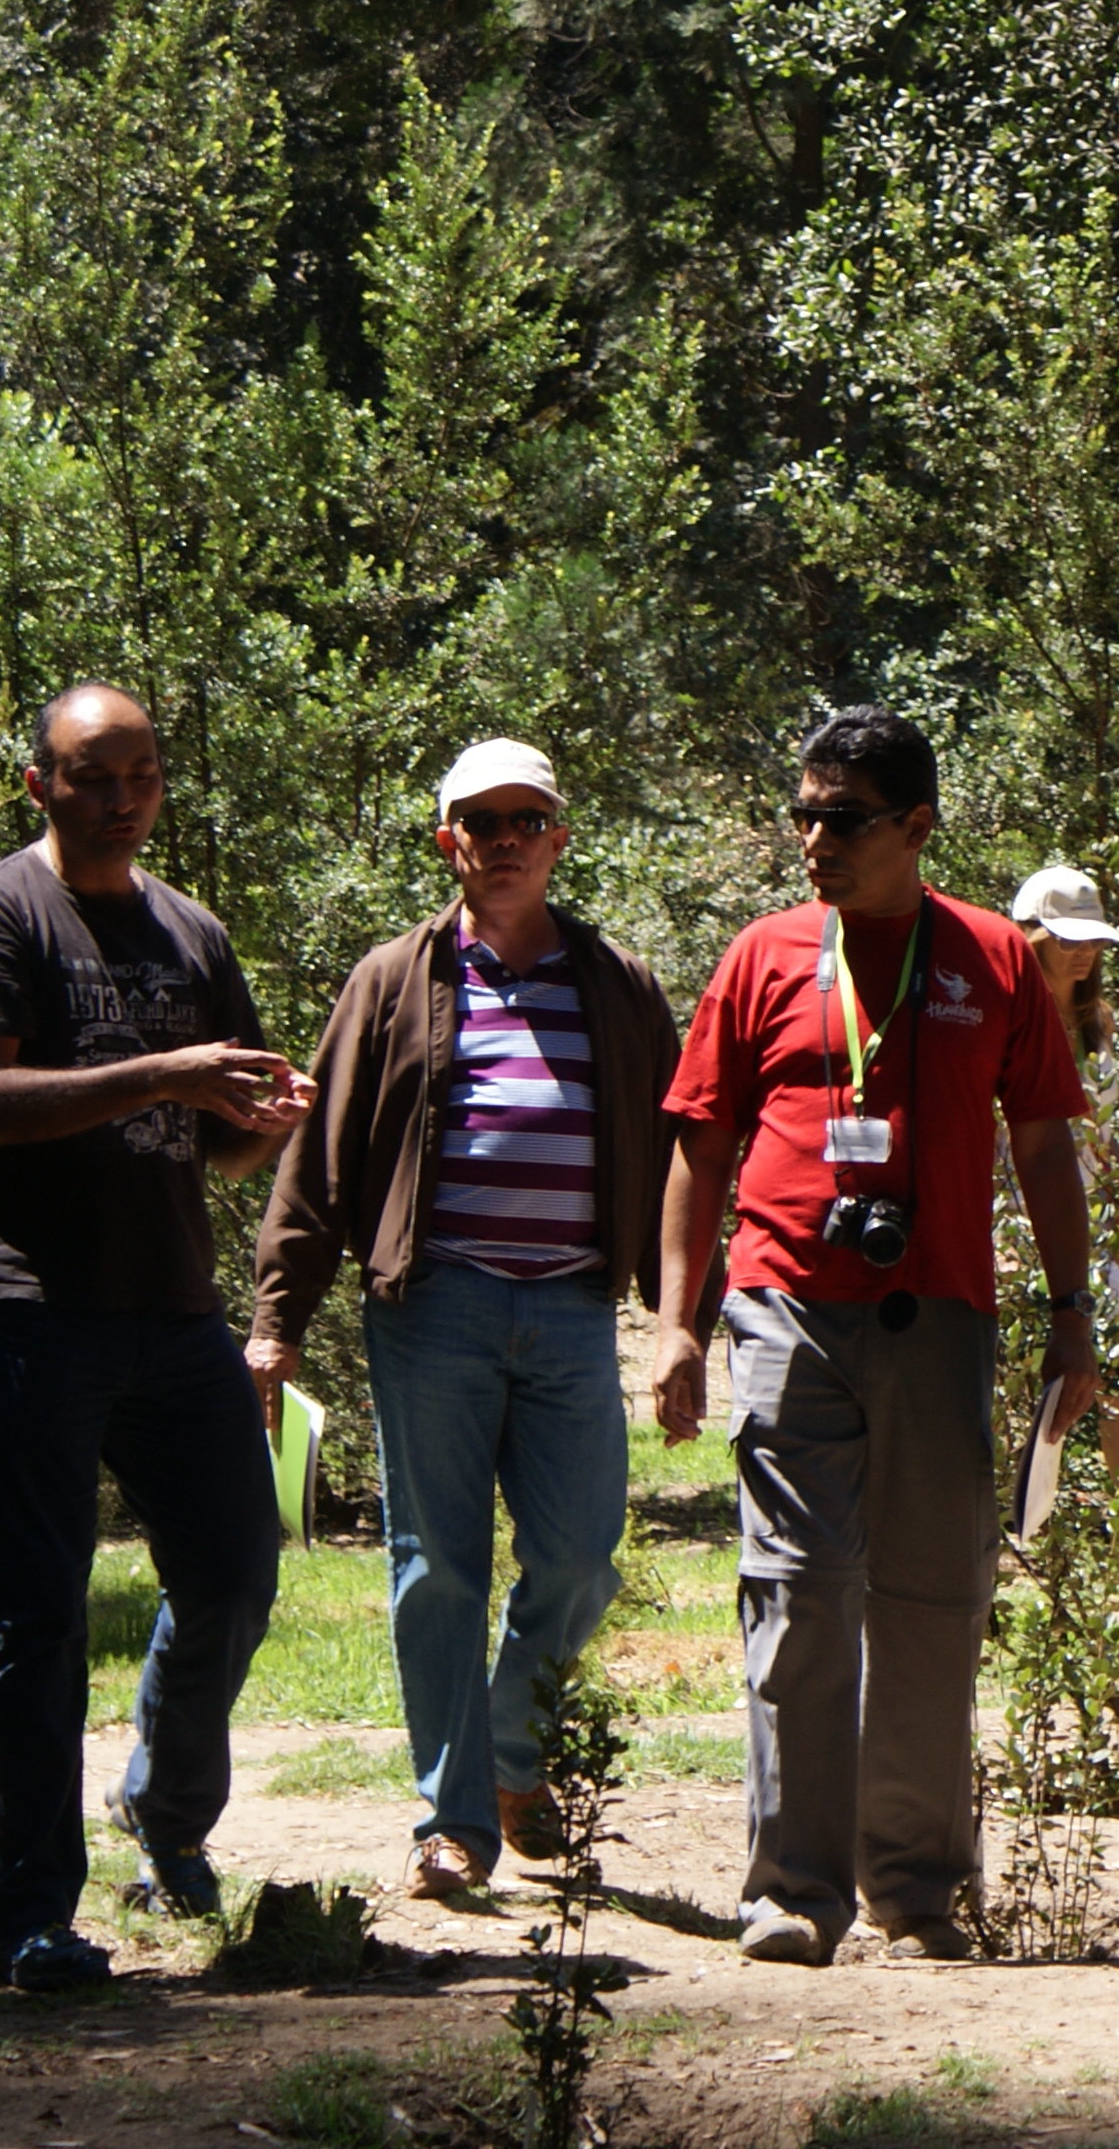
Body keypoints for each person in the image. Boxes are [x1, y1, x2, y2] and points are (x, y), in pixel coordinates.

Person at [648, 707, 1103, 1965]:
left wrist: (1073, 1321)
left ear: (914, 827)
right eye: (801, 814)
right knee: (798, 1597)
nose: (811, 840)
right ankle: (793, 1891)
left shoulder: (995, 959)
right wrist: (677, 1326)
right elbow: (698, 1141)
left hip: (943, 1315)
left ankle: (914, 1891)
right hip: (786, 1308)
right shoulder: (762, 956)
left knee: (931, 1600)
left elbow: (1046, 1144)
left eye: (840, 819)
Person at [0, 682, 314, 1991]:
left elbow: (213, 1135)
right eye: (94, 774)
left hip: (170, 1315)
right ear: (38, 782)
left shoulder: (190, 932)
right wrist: (164, 1070)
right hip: (30, 1307)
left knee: (237, 1571)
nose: (123, 795)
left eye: (141, 772)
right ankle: (28, 1916)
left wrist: (274, 1115)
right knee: (36, 1610)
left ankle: (165, 1820)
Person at [245, 739, 681, 1902]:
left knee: (582, 1558)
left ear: (559, 838)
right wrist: (277, 1315)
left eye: (524, 819)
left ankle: (505, 1754)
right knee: (436, 1566)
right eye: (478, 821)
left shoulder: (621, 984)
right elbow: (322, 1156)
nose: (501, 839)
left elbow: (684, 1152)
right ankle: (452, 1824)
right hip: (434, 1305)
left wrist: (687, 1311)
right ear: (447, 840)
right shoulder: (393, 979)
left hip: (577, 1306)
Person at [1008, 865, 1119, 1518]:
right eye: (1067, 938)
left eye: (1093, 941)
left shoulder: (1095, 1023)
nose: (1084, 952)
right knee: (1037, 1370)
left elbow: (1103, 1136)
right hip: (1021, 1215)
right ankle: (1020, 1517)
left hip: (1096, 1216)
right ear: (1032, 937)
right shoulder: (1005, 1017)